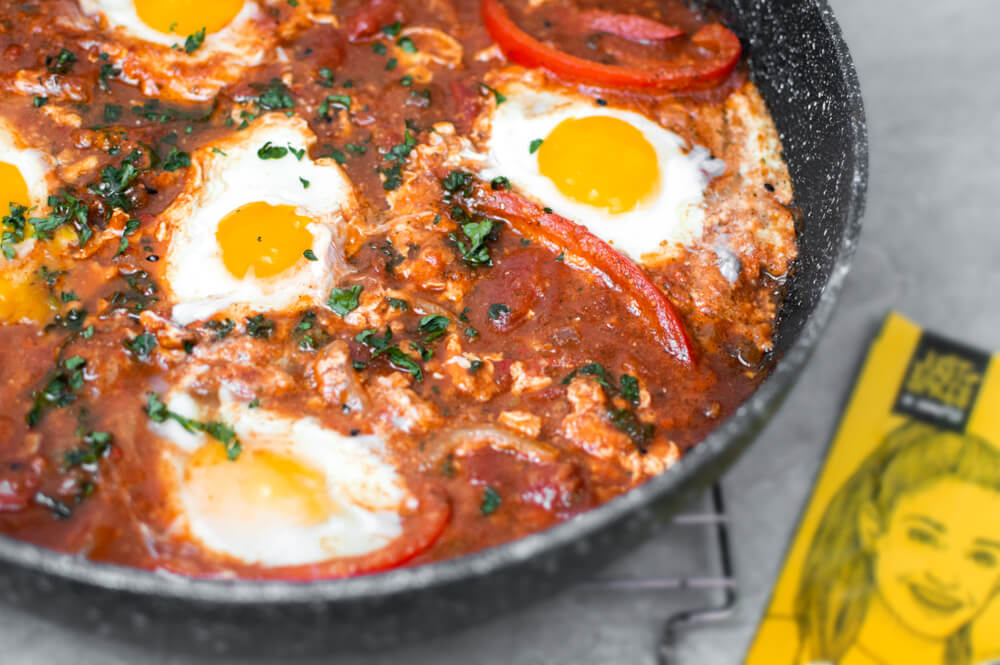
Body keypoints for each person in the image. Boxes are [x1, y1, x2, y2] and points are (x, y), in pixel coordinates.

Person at [791, 422, 1000, 665]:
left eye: (982, 557)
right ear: (873, 529)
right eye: (924, 537)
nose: (946, 576)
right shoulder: (791, 646)